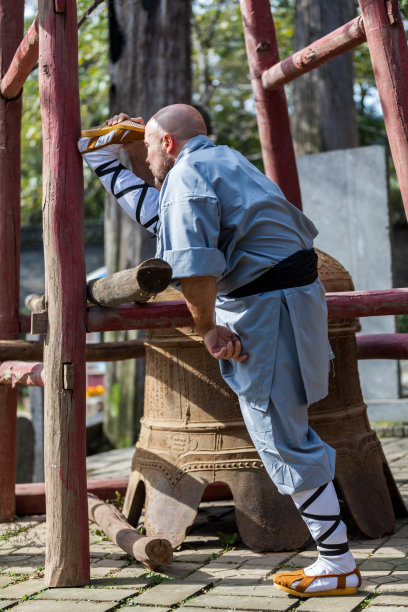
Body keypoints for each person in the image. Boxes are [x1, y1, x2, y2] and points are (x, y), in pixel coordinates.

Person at [78, 104, 361, 597]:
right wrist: (107, 161)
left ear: (168, 142)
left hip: (268, 312)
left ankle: (337, 563)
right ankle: (336, 557)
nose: (144, 159)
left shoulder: (186, 179)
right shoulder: (225, 160)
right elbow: (164, 219)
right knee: (289, 429)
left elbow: (194, 267)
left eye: (147, 147)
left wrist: (207, 328)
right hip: (292, 301)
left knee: (282, 436)